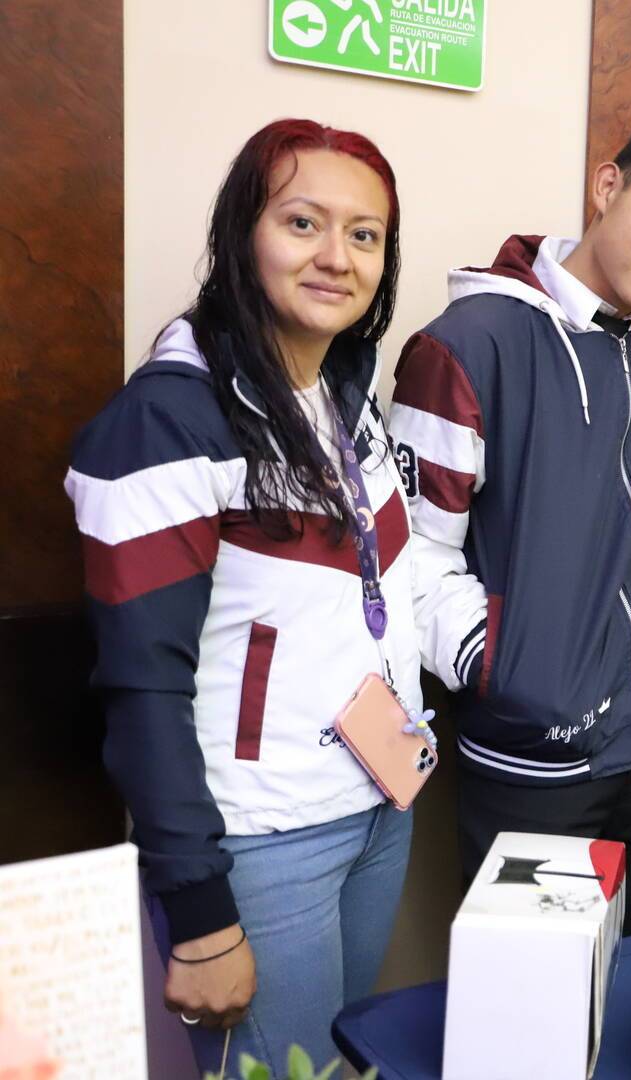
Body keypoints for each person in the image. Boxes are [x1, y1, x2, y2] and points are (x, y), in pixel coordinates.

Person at [64, 119, 424, 1072]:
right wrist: (199, 914)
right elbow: (141, 685)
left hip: (375, 804)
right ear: (240, 233)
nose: (336, 257)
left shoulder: (342, 387)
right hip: (260, 840)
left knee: (340, 1061)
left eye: (365, 235)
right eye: (303, 222)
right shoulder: (167, 419)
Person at [390, 114, 631, 934]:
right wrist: (509, 670)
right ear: (607, 186)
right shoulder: (467, 345)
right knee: (528, 1011)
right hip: (540, 760)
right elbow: (408, 555)